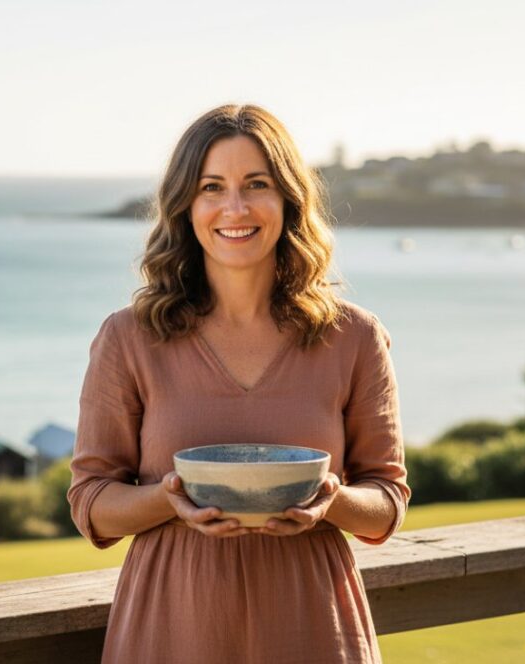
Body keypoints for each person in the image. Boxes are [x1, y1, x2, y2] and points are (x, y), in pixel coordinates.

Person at [67, 104, 410, 663]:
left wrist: (332, 500)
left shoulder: (355, 337)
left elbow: (387, 500)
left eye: (257, 184)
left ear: (288, 200)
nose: (235, 207)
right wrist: (170, 499)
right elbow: (92, 503)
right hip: (172, 625)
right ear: (187, 205)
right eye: (211, 187)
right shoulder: (128, 337)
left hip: (312, 624)